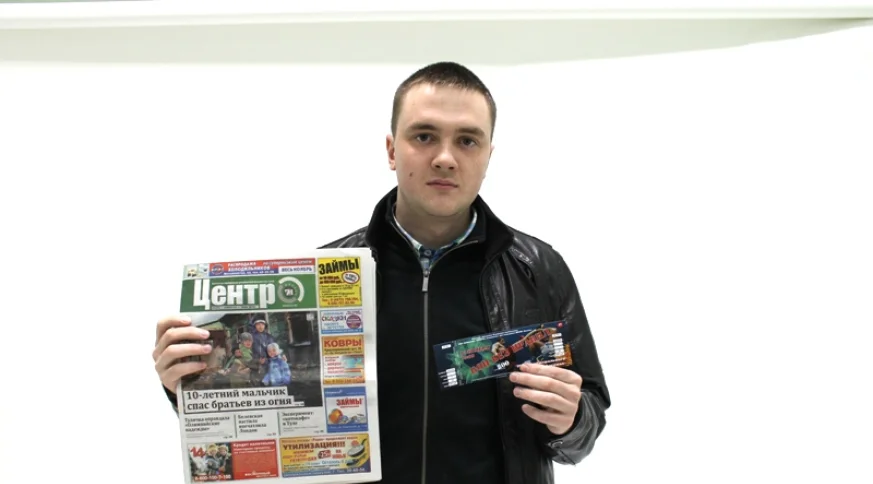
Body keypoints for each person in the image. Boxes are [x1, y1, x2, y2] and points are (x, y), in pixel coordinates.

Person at [152, 61, 610, 484]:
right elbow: (267, 427)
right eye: (424, 136)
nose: (445, 157)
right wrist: (190, 386)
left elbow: (587, 420)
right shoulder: (323, 276)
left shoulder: (537, 269)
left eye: (467, 140)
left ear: (488, 155)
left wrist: (571, 419)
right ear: (392, 150)